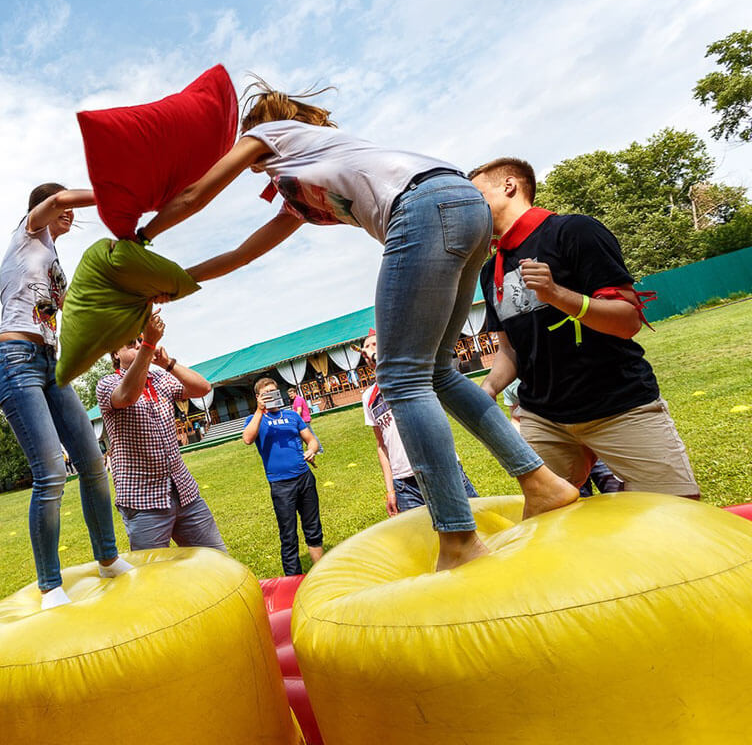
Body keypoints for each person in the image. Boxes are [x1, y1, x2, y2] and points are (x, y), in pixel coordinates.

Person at [139, 81, 578, 570]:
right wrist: (174, 282)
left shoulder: (278, 135)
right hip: (463, 205)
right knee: (437, 372)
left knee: (401, 378)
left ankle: (457, 536)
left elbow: (198, 192)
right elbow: (244, 253)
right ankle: (541, 483)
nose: (249, 159)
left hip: (424, 208)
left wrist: (142, 238)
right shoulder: (302, 191)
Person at [471, 158, 700, 498]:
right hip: (543, 418)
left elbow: (627, 321)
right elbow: (510, 351)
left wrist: (557, 295)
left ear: (509, 186)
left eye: (476, 196)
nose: (468, 209)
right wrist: (486, 389)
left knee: (679, 512)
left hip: (619, 406)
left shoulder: (573, 231)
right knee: (549, 518)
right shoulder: (491, 271)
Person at [0, 182, 131, 610]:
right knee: (51, 471)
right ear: (42, 210)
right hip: (16, 360)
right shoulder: (27, 234)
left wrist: (131, 307)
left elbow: (80, 309)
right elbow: (57, 201)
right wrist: (120, 194)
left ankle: (108, 557)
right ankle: (50, 585)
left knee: (92, 462)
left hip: (51, 364)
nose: (68, 212)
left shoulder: (52, 259)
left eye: (69, 207)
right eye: (61, 206)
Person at [97, 310, 227, 552]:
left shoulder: (160, 378)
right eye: (130, 344)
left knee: (216, 559)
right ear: (115, 354)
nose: (137, 346)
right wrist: (148, 344)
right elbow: (127, 396)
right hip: (143, 499)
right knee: (153, 577)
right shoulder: (107, 384)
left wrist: (168, 364)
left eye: (139, 340)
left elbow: (203, 388)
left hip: (184, 491)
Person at [361, 329, 478, 516]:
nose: (368, 349)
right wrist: (391, 490)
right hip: (405, 486)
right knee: (424, 539)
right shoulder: (368, 397)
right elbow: (381, 446)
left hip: (441, 468)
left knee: (477, 521)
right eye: (365, 347)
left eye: (375, 344)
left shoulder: (411, 374)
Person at [243, 377, 323, 575]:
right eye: (266, 394)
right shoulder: (255, 419)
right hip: (281, 485)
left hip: (304, 478)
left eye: (273, 392)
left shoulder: (291, 416)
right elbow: (247, 438)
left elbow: (312, 441)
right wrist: (259, 411)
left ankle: (322, 574)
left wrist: (311, 450)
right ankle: (293, 582)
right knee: (288, 536)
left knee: (313, 528)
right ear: (258, 397)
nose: (271, 397)